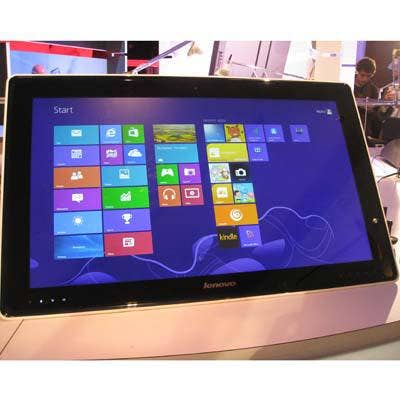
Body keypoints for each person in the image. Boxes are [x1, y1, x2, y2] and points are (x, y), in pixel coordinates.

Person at [353, 57, 381, 139]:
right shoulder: (347, 83)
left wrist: (370, 110)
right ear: (357, 72)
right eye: (362, 75)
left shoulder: (374, 90)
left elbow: (375, 114)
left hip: (364, 128)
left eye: (368, 76)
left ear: (372, 75)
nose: (365, 79)